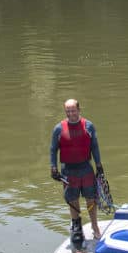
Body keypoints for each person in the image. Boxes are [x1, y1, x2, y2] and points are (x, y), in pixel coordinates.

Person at [50, 98, 104, 244]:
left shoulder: (88, 126)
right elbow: (53, 149)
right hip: (68, 170)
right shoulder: (59, 128)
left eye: (73, 110)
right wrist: (53, 167)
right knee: (73, 201)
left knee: (91, 199)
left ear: (79, 110)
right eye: (67, 111)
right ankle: (77, 228)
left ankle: (95, 226)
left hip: (86, 168)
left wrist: (99, 165)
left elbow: (95, 147)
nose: (70, 113)